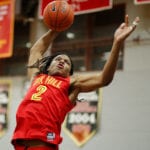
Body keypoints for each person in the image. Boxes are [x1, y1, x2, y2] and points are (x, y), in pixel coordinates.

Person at [11, 15, 140, 150]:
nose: (62, 61)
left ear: (69, 72)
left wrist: (117, 43)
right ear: (48, 66)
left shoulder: (70, 83)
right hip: (20, 144)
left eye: (67, 62)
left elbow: (104, 79)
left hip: (43, 144)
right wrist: (54, 29)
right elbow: (36, 50)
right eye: (58, 59)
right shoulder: (36, 76)